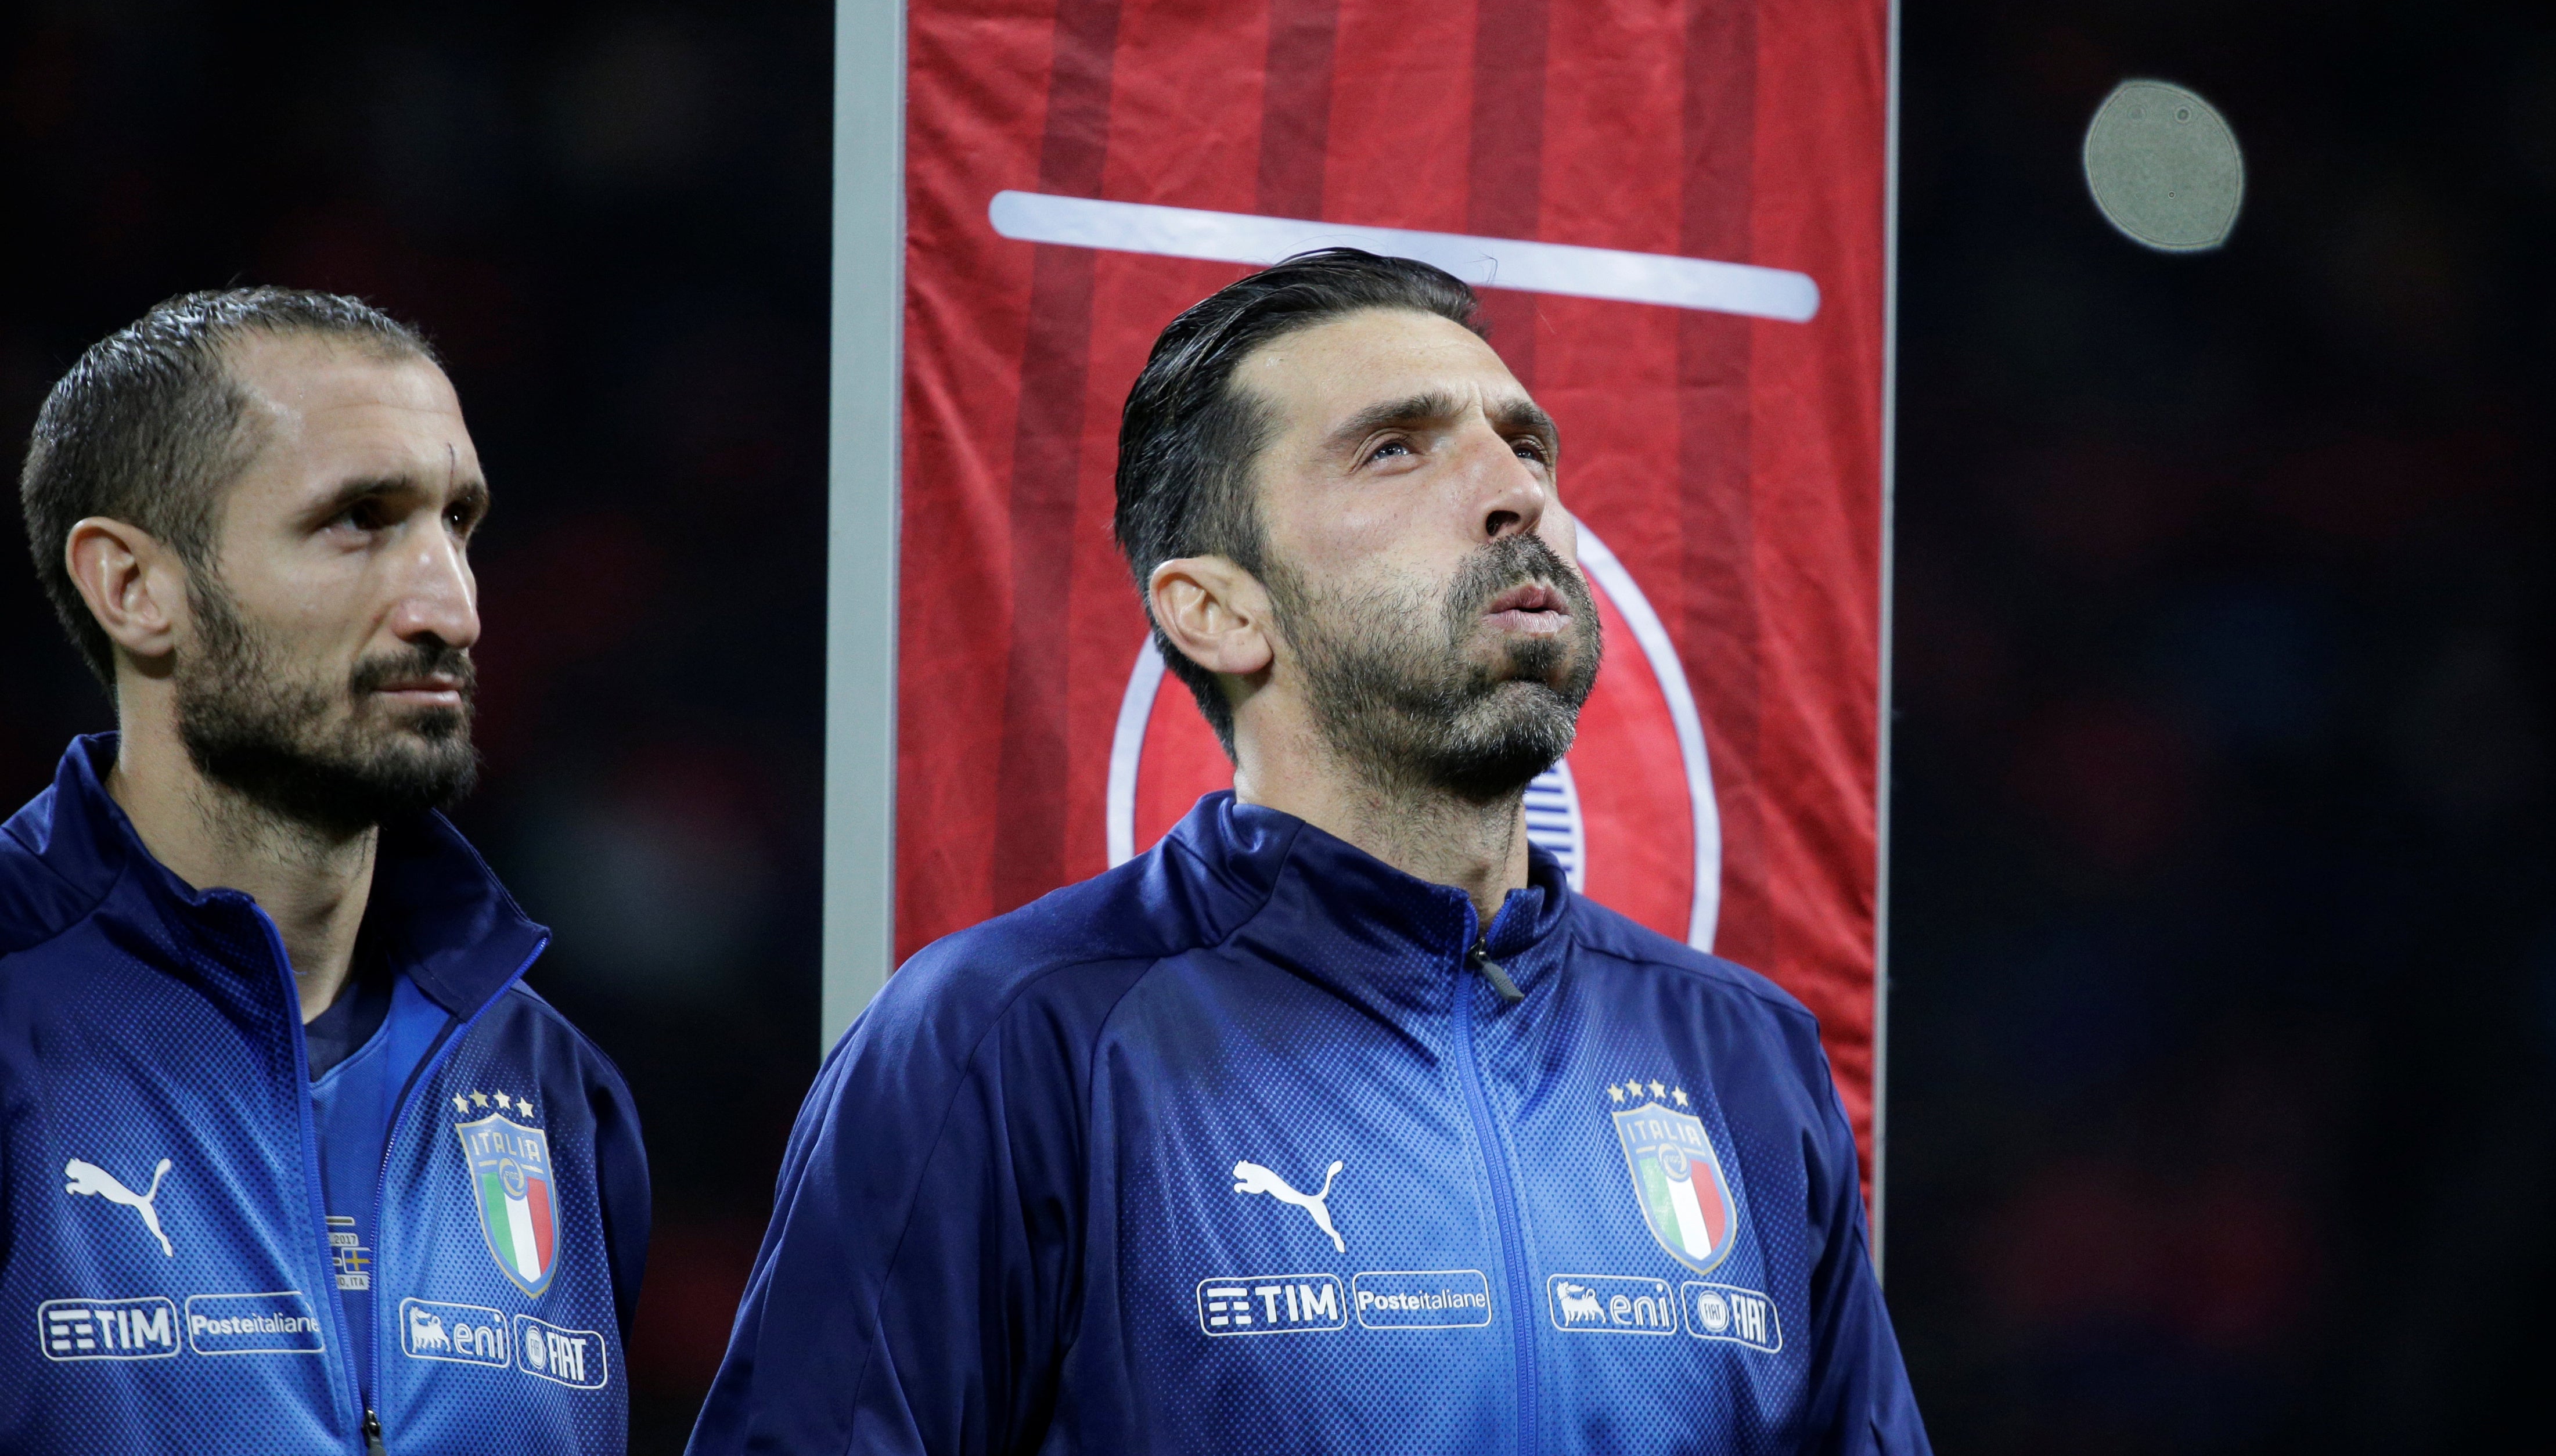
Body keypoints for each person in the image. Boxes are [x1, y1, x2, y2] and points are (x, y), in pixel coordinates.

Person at [692, 249, 1929, 1454]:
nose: (1518, 493)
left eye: (1524, 443)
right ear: (1219, 610)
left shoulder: (1743, 1055)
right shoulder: (1007, 1035)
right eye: (1397, 446)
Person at [2, 289, 647, 1454]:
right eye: (361, 518)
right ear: (135, 587)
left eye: (460, 521)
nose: (450, 605)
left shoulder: (556, 1084)